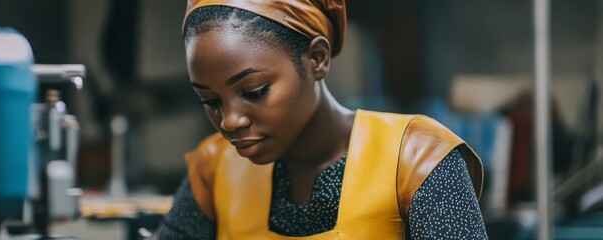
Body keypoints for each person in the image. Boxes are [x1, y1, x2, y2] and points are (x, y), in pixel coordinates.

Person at [157, 0, 488, 239]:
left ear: (317, 58)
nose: (229, 121)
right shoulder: (214, 168)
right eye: (210, 100)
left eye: (255, 91)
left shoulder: (417, 159)